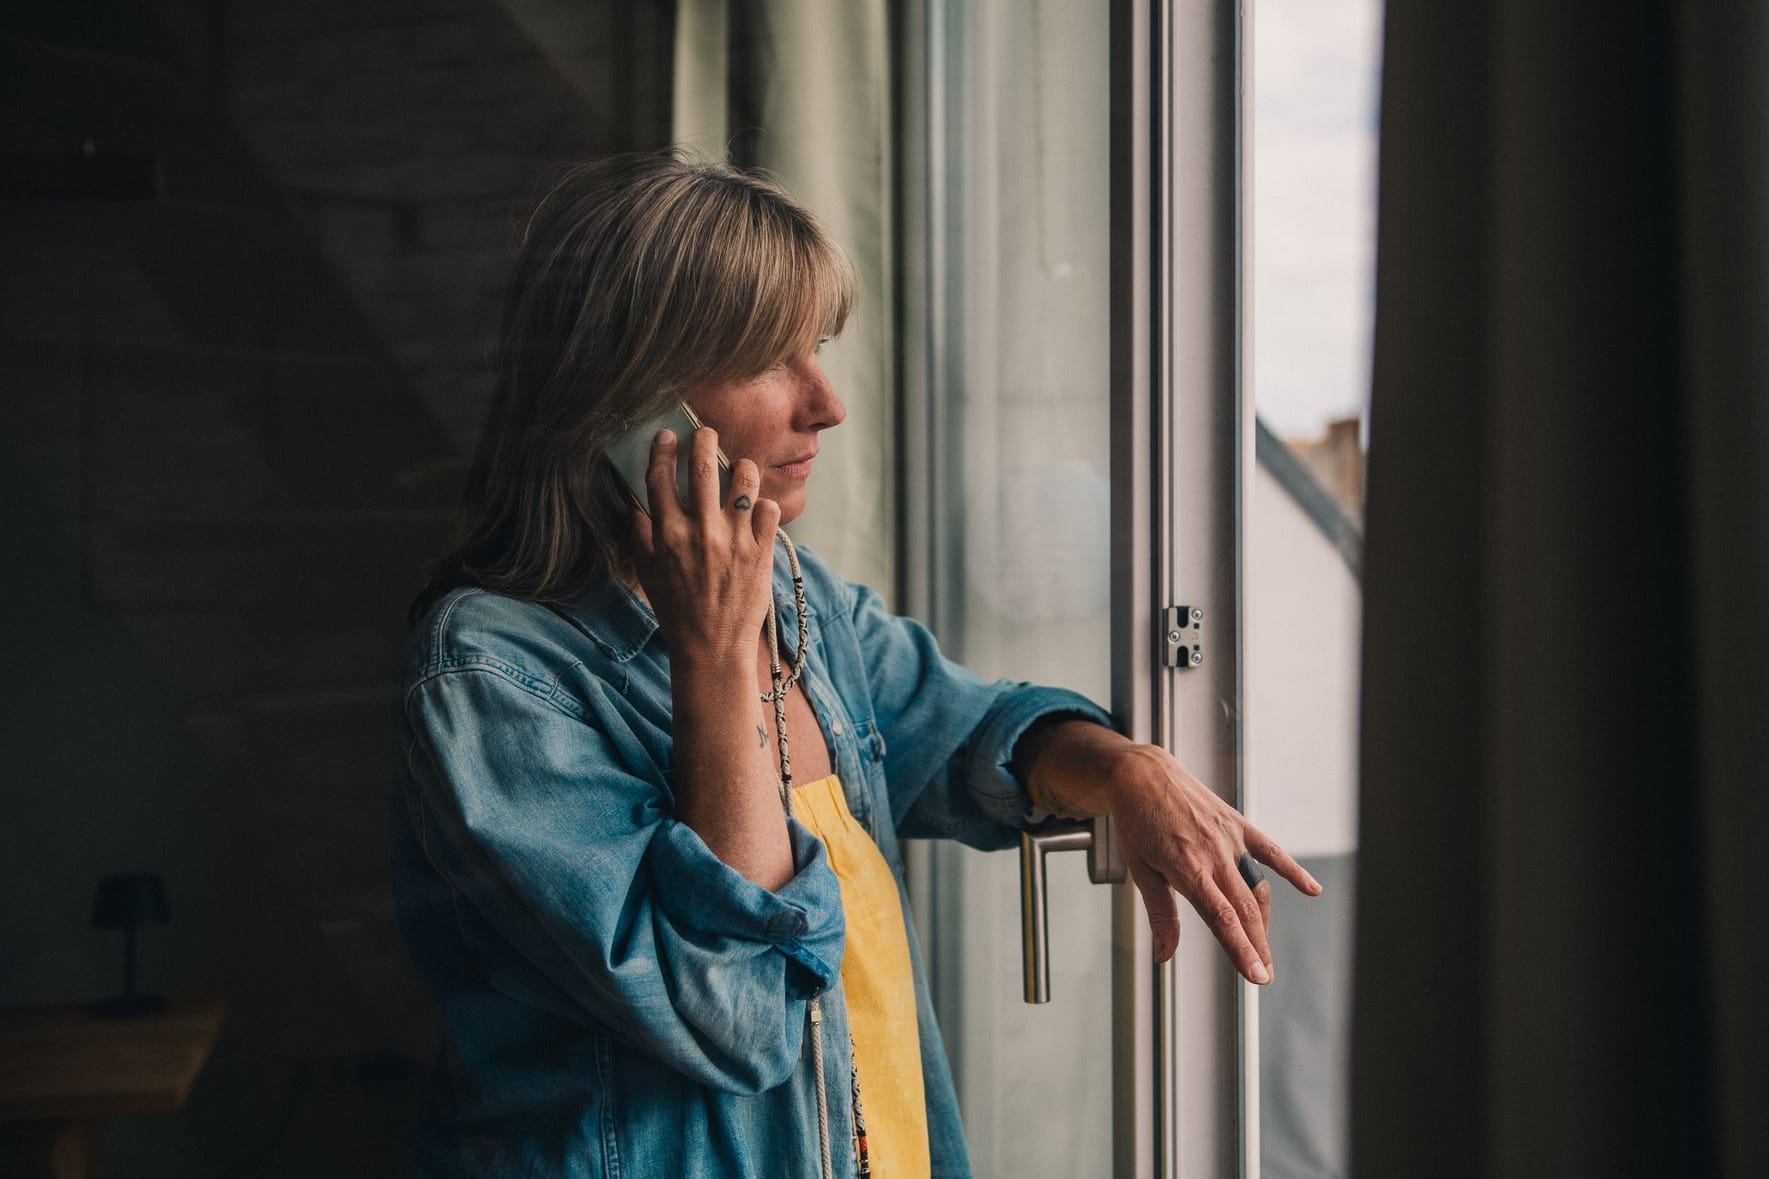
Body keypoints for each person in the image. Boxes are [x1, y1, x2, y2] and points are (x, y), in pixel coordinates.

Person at [390, 151, 1320, 1178]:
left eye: (816, 350)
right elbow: (737, 1017)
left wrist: (1123, 770)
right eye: (764, 361)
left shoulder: (802, 599)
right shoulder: (493, 674)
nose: (824, 404)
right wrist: (711, 660)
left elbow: (963, 729)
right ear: (627, 406)